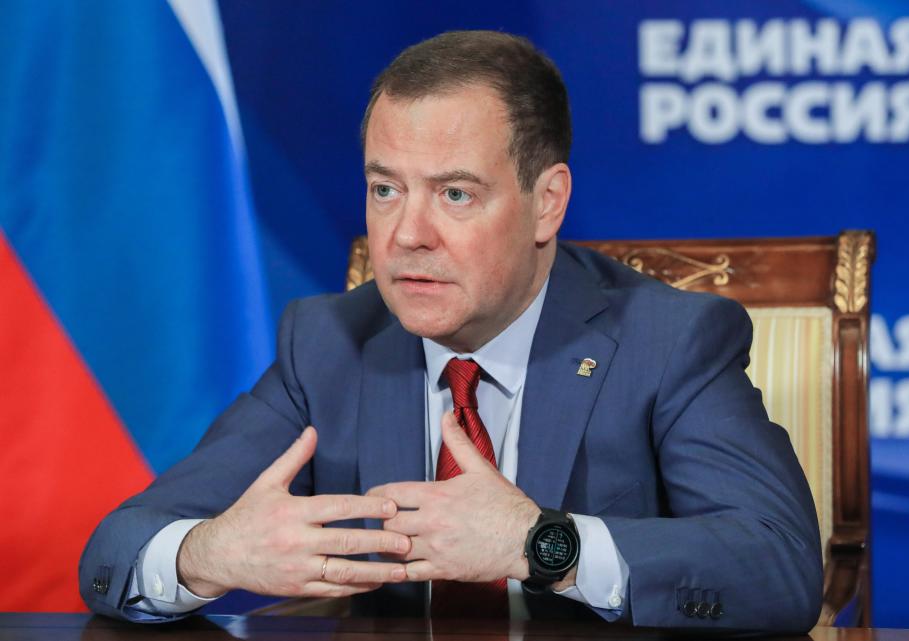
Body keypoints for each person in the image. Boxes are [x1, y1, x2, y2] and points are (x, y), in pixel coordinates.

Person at [79, 30, 822, 632]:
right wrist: (212, 552)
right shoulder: (329, 342)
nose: (405, 234)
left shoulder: (669, 340)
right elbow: (113, 549)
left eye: (455, 193)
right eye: (385, 189)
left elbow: (780, 565)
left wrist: (543, 544)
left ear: (547, 203)